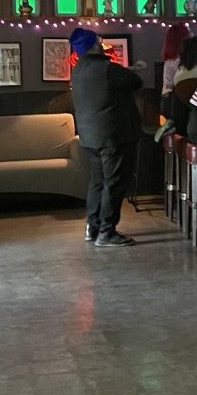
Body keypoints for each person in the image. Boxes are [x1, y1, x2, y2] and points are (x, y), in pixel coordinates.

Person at [70, 27, 145, 247]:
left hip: (90, 137)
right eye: (99, 41)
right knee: (113, 183)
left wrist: (128, 69)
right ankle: (107, 232)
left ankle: (92, 227)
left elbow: (110, 80)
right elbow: (135, 82)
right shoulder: (107, 69)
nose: (101, 44)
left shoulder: (78, 69)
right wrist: (134, 69)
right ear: (94, 45)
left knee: (97, 182)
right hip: (113, 135)